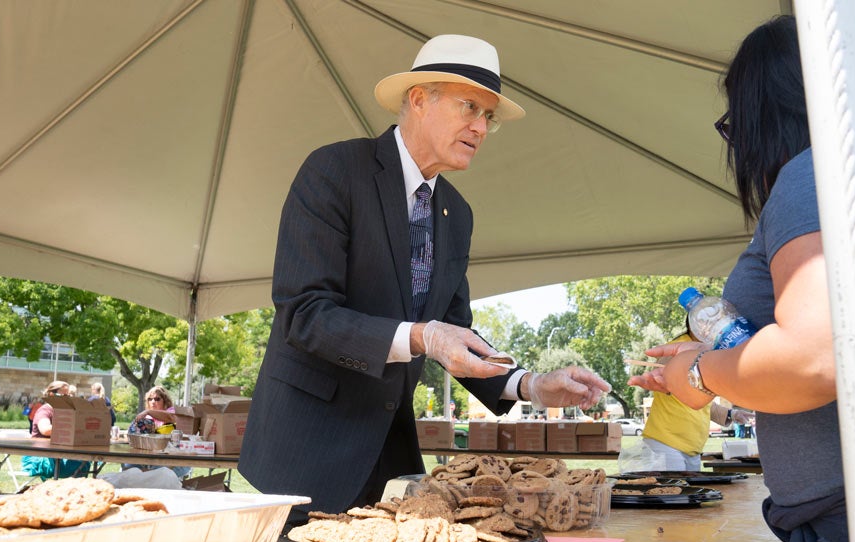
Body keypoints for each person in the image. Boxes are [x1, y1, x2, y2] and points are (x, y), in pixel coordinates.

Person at [631, 15, 855, 542]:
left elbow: (811, 360)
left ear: (764, 111)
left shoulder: (821, 172)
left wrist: (696, 374)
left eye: (732, 124)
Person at [239, 34, 611, 517]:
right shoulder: (334, 170)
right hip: (302, 452)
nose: (480, 127)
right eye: (470, 108)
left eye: (489, 117)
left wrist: (532, 385)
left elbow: (456, 331)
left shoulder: (457, 213)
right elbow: (305, 315)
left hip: (383, 462)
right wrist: (420, 337)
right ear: (418, 99)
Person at [623, 329, 752, 472]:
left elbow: (699, 402)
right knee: (673, 492)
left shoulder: (707, 350)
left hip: (692, 449)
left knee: (690, 493)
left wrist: (731, 414)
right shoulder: (678, 347)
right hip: (666, 443)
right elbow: (680, 388)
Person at [21, 380, 90, 480]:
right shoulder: (45, 410)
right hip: (39, 457)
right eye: (63, 395)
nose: (67, 398)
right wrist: (70, 427)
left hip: (58, 455)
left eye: (69, 395)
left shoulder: (67, 411)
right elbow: (45, 429)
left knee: (85, 461)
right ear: (51, 395)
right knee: (79, 464)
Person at [124, 386, 190, 479]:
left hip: (171, 458)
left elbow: (171, 418)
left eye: (157, 399)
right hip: (150, 456)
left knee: (156, 473)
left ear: (165, 400)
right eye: (150, 399)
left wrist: (148, 412)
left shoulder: (171, 412)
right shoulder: (147, 419)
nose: (153, 402)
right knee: (129, 465)